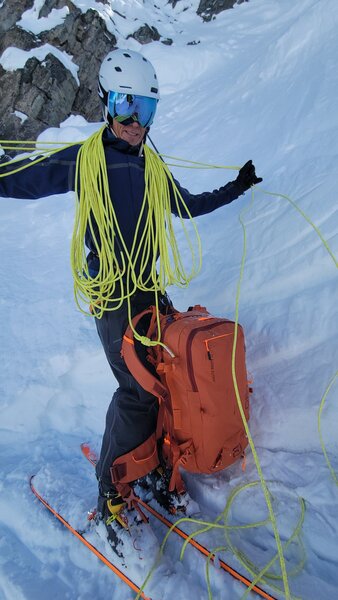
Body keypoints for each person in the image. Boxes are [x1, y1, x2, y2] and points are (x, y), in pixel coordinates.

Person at [0, 48, 262, 550]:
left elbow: (186, 204)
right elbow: (24, 182)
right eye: (126, 105)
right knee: (137, 391)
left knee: (168, 381)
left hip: (149, 291)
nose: (135, 121)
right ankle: (108, 494)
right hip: (113, 299)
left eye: (146, 109)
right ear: (106, 102)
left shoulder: (151, 163)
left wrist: (236, 187)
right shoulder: (85, 159)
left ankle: (156, 469)